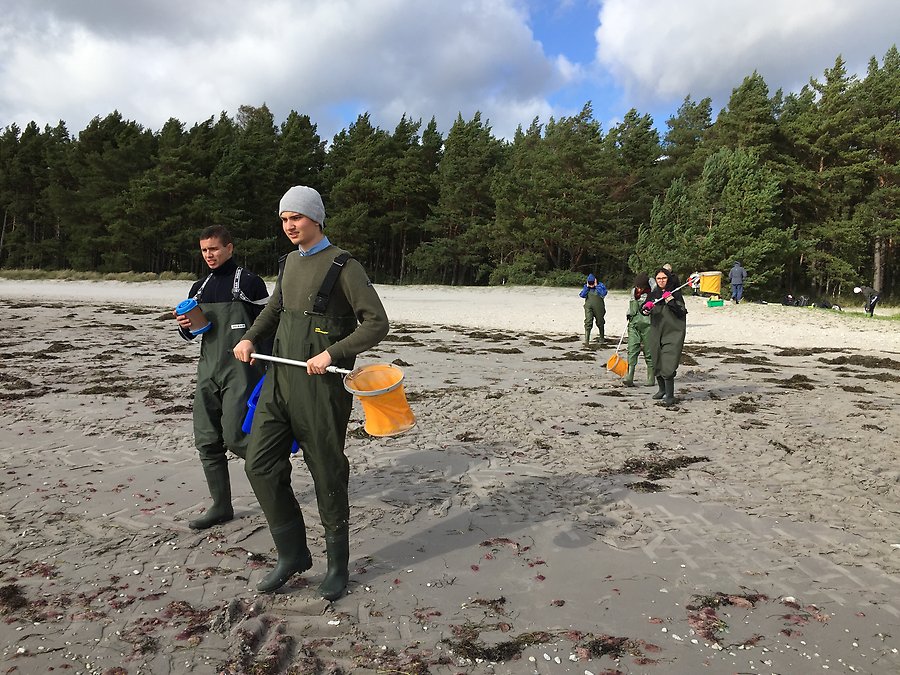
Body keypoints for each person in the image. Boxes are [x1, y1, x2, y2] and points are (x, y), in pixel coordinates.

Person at [233, 186, 389, 600]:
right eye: (284, 219)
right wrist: (250, 338)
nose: (288, 226)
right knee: (259, 464)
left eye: (296, 218)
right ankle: (292, 554)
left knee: (327, 473)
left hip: (321, 390)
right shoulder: (287, 264)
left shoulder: (343, 265)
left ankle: (337, 565)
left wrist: (333, 352)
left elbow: (376, 323)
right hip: (279, 382)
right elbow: (274, 309)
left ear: (315, 218)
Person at [173, 225, 269, 530]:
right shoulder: (198, 288)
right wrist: (185, 325)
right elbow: (191, 334)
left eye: (214, 249)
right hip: (208, 370)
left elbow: (269, 325)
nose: (209, 255)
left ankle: (273, 491)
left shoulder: (250, 283)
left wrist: (266, 367)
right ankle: (221, 506)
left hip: (242, 371)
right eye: (204, 250)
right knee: (206, 439)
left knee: (237, 437)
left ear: (229, 247)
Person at [641, 267, 688, 406]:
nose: (661, 281)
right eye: (659, 279)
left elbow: (681, 313)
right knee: (656, 361)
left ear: (668, 279)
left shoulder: (676, 294)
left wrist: (671, 301)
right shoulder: (653, 295)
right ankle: (661, 390)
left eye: (664, 278)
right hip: (656, 332)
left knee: (668, 364)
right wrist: (645, 308)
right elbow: (643, 310)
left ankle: (670, 395)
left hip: (673, 333)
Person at [622, 272, 655, 387]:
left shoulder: (652, 293)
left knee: (649, 351)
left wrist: (650, 280)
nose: (639, 289)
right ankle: (629, 376)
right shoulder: (633, 292)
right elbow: (630, 306)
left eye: (641, 287)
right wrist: (628, 314)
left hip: (649, 325)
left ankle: (651, 378)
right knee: (632, 349)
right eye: (637, 287)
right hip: (633, 325)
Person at [579, 273, 607, 344]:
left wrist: (596, 285)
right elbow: (582, 295)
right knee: (588, 322)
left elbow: (604, 293)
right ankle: (587, 340)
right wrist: (587, 287)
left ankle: (601, 338)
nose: (591, 284)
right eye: (590, 282)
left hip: (599, 308)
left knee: (600, 322)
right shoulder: (586, 287)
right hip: (588, 307)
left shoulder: (600, 286)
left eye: (592, 282)